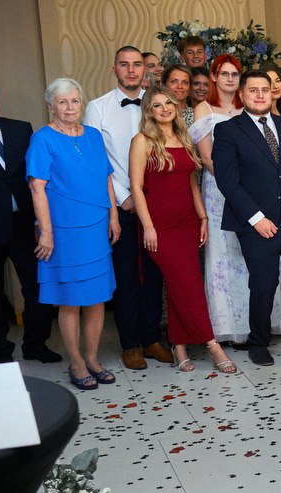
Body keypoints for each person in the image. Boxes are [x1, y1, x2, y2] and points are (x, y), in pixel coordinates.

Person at [212, 70, 281, 366]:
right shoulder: (228, 130)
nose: (260, 95)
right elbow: (228, 182)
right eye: (253, 90)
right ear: (242, 95)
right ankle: (258, 343)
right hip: (257, 223)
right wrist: (256, 218)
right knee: (264, 282)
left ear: (272, 93)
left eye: (265, 89)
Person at [128, 88, 234, 373]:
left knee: (180, 283)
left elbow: (191, 183)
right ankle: (212, 344)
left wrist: (203, 218)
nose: (165, 109)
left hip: (187, 222)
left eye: (168, 103)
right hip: (160, 226)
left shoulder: (183, 137)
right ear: (149, 111)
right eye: (157, 105)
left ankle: (179, 346)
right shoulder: (142, 141)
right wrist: (148, 227)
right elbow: (136, 187)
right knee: (188, 284)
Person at [27, 78, 120, 389]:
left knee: (97, 297)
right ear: (51, 106)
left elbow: (106, 178)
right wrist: (46, 233)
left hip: (95, 226)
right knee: (71, 299)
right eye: (62, 102)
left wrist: (114, 216)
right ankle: (77, 362)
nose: (69, 107)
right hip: (64, 230)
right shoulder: (43, 139)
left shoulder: (93, 135)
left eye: (74, 101)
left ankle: (92, 358)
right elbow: (37, 188)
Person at [191, 56, 281, 346]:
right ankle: (230, 326)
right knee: (225, 257)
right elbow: (207, 157)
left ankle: (263, 324)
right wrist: (236, 183)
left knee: (261, 257)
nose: (230, 79)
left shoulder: (248, 106)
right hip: (220, 189)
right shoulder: (204, 108)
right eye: (224, 73)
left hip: (259, 192)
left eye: (235, 74)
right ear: (214, 76)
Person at [83, 46, 171, 371]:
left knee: (154, 274)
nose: (132, 70)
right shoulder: (98, 107)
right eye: (125, 65)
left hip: (158, 203)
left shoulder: (158, 102)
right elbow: (97, 160)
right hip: (119, 204)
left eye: (137, 65)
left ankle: (152, 339)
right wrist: (123, 198)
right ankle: (130, 344)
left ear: (144, 69)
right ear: (114, 69)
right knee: (127, 275)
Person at [0, 83, 60, 364]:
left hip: (25, 225)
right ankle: (0, 351)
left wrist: (43, 222)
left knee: (39, 287)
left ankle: (35, 345)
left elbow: (37, 175)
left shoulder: (21, 129)